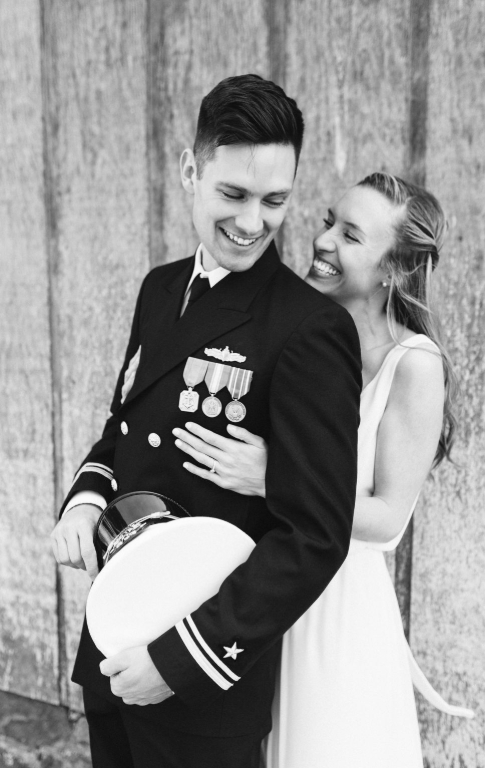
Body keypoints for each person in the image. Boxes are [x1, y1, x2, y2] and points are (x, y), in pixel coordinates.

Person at [49, 73, 362, 768]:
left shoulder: (309, 329)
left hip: (202, 686)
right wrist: (87, 499)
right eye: (233, 193)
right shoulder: (160, 289)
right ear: (192, 169)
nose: (253, 223)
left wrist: (181, 661)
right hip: (116, 641)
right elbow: (124, 427)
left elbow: (315, 535)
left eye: (275, 200)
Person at [172, 172, 473, 767]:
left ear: (394, 268)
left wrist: (273, 477)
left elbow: (388, 520)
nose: (323, 240)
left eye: (351, 235)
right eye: (329, 221)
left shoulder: (414, 366)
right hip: (264, 591)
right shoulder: (296, 334)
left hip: (338, 610)